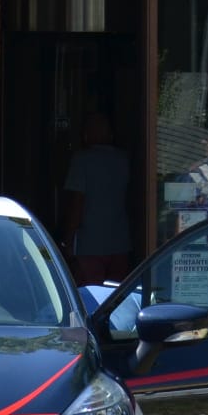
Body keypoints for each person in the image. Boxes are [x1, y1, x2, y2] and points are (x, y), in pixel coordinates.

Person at [61, 112, 132, 285]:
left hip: (89, 244)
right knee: (117, 296)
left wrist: (68, 240)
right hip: (121, 242)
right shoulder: (124, 160)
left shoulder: (81, 160)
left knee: (91, 296)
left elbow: (77, 202)